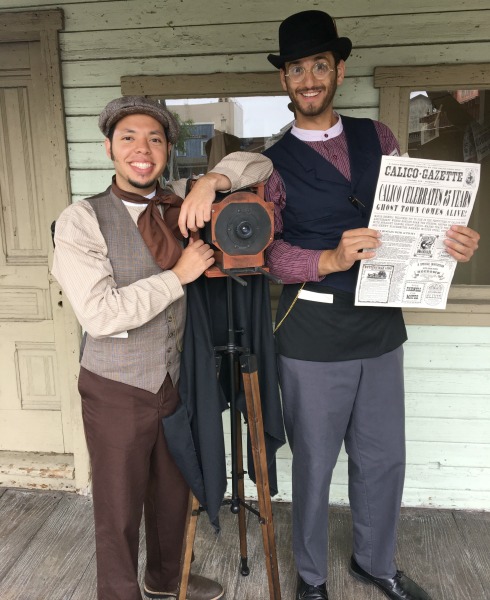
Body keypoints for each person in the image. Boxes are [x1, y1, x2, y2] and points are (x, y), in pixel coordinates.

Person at [178, 11, 480, 600]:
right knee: (315, 466)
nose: (309, 78)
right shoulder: (273, 161)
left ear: (339, 69)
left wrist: (448, 240)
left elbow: (412, 216)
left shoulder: (381, 138)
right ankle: (312, 576)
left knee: (383, 458)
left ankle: (375, 561)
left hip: (381, 328)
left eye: (320, 64)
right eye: (297, 68)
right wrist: (330, 261)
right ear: (284, 80)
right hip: (312, 331)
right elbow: (268, 251)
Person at [52, 95, 272, 600]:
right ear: (109, 147)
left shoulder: (177, 199)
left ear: (169, 149)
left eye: (154, 138)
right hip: (115, 386)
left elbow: (260, 162)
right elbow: (101, 314)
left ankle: (164, 578)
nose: (141, 149)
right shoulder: (80, 220)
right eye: (128, 137)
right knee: (118, 504)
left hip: (174, 379)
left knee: (174, 492)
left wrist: (211, 183)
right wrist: (179, 276)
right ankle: (119, 592)